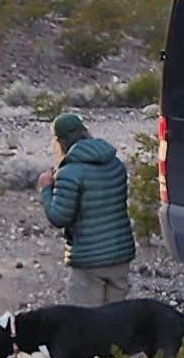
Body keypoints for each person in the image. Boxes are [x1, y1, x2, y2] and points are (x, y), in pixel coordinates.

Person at [35, 112, 134, 306]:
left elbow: (59, 217)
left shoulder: (70, 172)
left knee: (86, 319)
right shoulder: (115, 164)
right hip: (121, 254)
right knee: (116, 318)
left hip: (89, 259)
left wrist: (46, 189)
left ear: (60, 142)